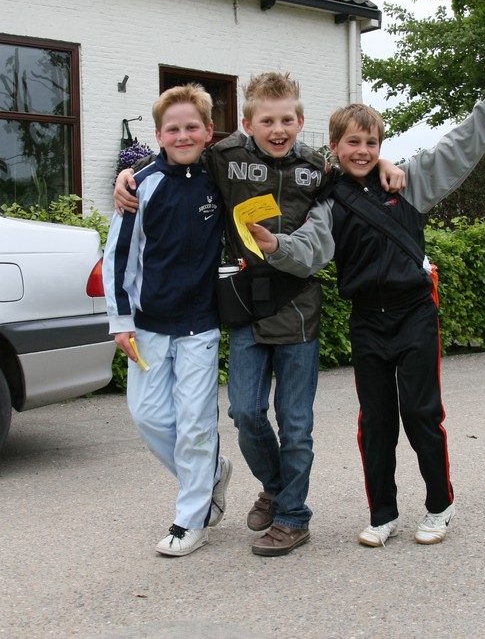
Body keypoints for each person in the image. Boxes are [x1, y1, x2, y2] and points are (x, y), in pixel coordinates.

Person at [115, 72, 406, 556]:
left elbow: (356, 169)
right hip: (246, 306)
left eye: (287, 120)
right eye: (267, 121)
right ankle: (274, 486)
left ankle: (293, 516)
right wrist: (130, 174)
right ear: (247, 124)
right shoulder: (224, 157)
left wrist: (386, 163)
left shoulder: (316, 167)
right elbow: (178, 155)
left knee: (295, 423)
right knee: (245, 413)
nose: (278, 129)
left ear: (301, 121)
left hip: (298, 309)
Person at [248, 48, 485, 547]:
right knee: (376, 423)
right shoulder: (328, 202)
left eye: (372, 142)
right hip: (367, 320)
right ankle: (383, 513)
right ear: (334, 146)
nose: (363, 151)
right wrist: (276, 246)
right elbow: (309, 249)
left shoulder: (405, 182)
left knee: (421, 413)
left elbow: (456, 150)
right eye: (353, 142)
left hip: (415, 316)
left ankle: (439, 505)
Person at [103, 84, 232, 557]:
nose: (183, 136)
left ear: (208, 131)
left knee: (195, 423)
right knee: (149, 417)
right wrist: (120, 320)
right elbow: (119, 257)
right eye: (172, 129)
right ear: (158, 135)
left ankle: (190, 519)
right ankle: (210, 473)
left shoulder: (221, 179)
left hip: (202, 325)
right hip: (149, 326)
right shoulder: (140, 185)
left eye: (192, 127)